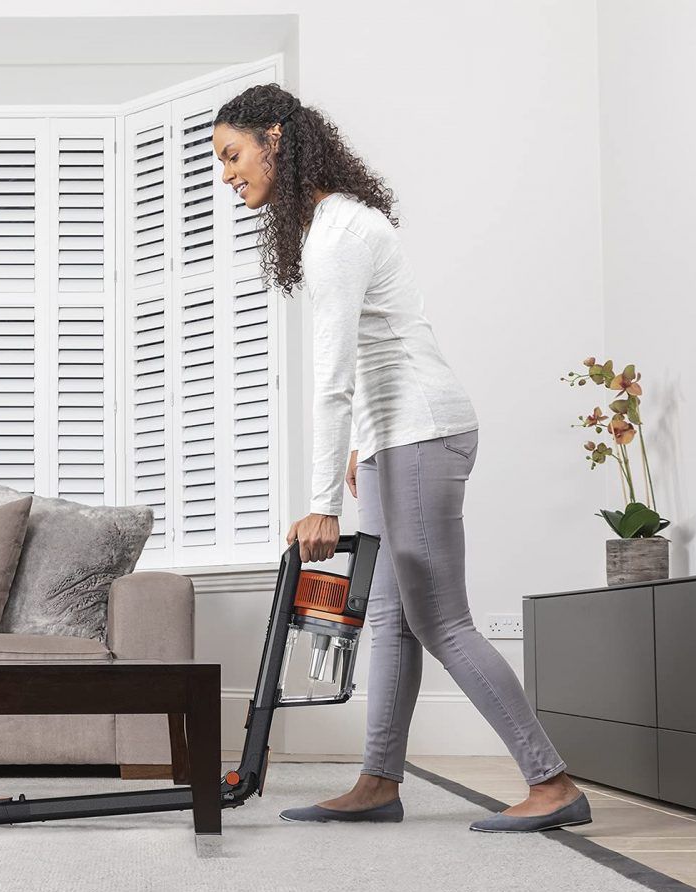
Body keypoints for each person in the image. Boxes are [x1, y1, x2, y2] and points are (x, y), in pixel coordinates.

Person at [212, 83, 592, 833]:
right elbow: (381, 346)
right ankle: (378, 782)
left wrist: (322, 500)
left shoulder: (338, 233)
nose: (227, 175)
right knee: (388, 618)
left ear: (276, 139)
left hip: (421, 430)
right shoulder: (328, 226)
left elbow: (334, 377)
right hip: (394, 437)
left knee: (440, 619)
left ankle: (551, 783)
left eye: (233, 155)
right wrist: (365, 446)